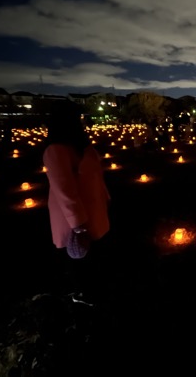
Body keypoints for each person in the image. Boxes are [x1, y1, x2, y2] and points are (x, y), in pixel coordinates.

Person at [42, 100, 111, 306]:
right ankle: (83, 295)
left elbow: (95, 176)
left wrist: (105, 197)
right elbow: (64, 189)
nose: (81, 122)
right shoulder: (55, 150)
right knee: (78, 255)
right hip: (73, 217)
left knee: (93, 255)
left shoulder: (80, 146)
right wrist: (78, 223)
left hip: (93, 208)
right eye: (77, 119)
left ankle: (95, 289)